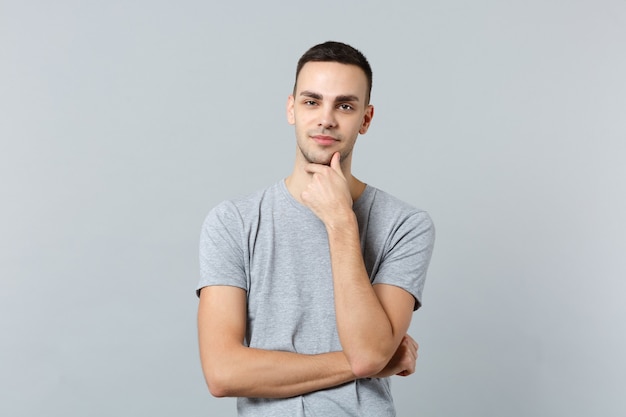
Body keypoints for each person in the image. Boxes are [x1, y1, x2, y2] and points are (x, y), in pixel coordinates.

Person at [196, 41, 435, 416]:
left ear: (366, 119)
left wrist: (341, 221)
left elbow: (370, 351)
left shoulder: (405, 225)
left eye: (344, 105)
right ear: (291, 108)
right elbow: (222, 373)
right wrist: (362, 363)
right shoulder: (233, 221)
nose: (326, 118)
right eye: (311, 101)